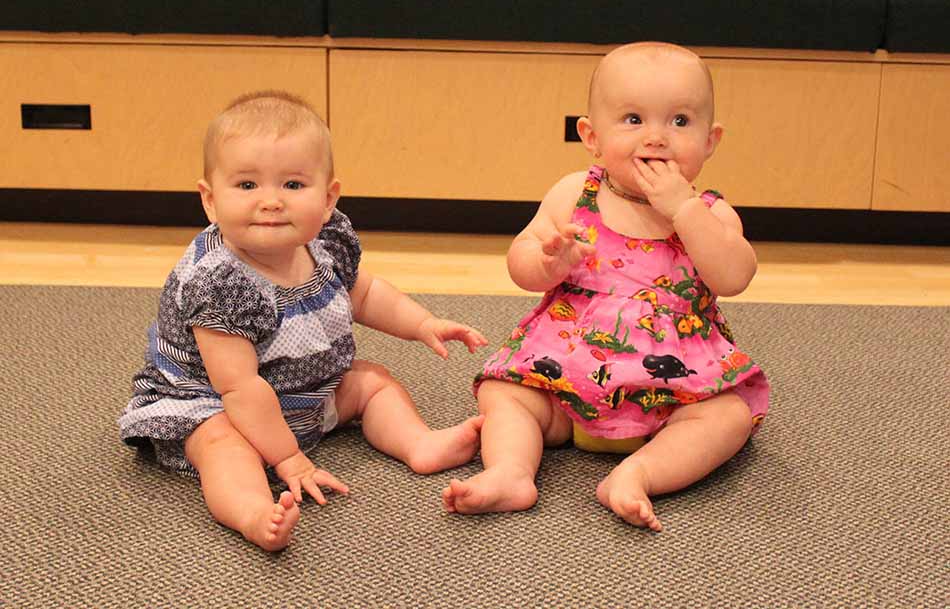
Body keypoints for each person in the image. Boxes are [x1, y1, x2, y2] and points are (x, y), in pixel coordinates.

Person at [119, 90, 488, 551]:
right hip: (219, 406)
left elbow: (367, 294)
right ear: (210, 201)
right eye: (247, 186)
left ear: (329, 197)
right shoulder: (220, 282)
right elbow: (240, 387)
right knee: (223, 451)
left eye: (292, 185)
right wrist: (289, 459)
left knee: (373, 382)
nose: (271, 201)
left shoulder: (325, 244)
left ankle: (418, 443)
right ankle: (252, 513)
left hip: (310, 388)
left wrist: (423, 323)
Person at [441, 42, 769, 531]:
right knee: (503, 392)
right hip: (562, 380)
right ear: (592, 137)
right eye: (633, 120)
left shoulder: (712, 213)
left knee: (730, 418)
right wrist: (548, 261)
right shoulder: (574, 194)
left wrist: (684, 209)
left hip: (673, 392)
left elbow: (735, 276)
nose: (656, 138)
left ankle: (638, 473)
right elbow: (521, 263)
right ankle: (510, 471)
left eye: (680, 122)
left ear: (710, 141)